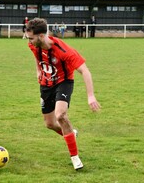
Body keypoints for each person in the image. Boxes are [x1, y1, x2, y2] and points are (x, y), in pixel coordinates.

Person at [25, 18, 101, 170]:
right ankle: (70, 133)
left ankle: (75, 157)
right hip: (46, 85)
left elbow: (85, 71)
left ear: (41, 36)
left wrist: (91, 96)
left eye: (31, 38)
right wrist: (39, 70)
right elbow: (37, 57)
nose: (29, 41)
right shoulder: (34, 45)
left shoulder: (63, 50)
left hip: (63, 82)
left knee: (61, 116)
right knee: (50, 124)